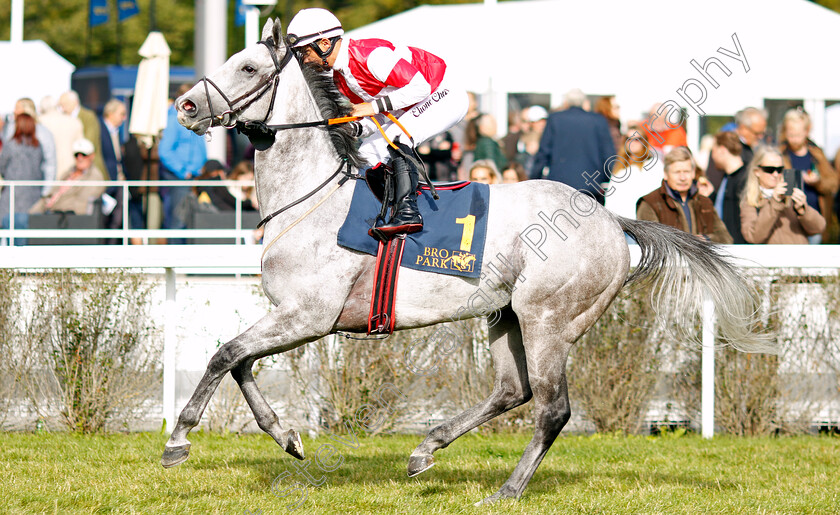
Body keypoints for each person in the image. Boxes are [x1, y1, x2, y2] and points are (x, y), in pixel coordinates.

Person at [287, 7, 469, 240]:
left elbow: (420, 87)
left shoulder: (371, 56)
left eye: (303, 52)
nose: (305, 60)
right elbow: (383, 116)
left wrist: (370, 108)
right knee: (366, 155)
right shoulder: (340, 78)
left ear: (324, 44)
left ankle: (409, 214)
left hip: (444, 95)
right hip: (412, 107)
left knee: (398, 139)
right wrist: (354, 128)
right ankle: (384, 213)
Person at [530, 88, 615, 204]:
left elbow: (543, 153)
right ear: (584, 102)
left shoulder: (555, 119)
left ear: (566, 102)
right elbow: (608, 155)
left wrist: (534, 179)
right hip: (590, 186)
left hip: (559, 186)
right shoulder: (598, 121)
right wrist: (606, 181)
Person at [637, 147, 732, 243]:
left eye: (686, 172)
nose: (682, 178)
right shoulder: (649, 203)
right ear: (666, 174)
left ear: (693, 173)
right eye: (677, 172)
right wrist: (689, 242)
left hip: (700, 258)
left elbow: (726, 238)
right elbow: (649, 242)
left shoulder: (705, 202)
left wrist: (705, 240)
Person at [740, 147, 825, 244]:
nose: (776, 174)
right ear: (757, 172)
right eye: (769, 169)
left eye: (779, 169)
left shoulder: (790, 195)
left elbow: (819, 228)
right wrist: (774, 203)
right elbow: (753, 237)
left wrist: (803, 210)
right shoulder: (750, 202)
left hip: (800, 257)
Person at [777, 108, 838, 244]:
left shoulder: (816, 154)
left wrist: (818, 182)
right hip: (789, 221)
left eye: (798, 135)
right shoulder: (780, 154)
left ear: (806, 131)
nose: (794, 139)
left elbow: (833, 184)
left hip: (814, 218)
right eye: (790, 134)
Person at [159, 84, 207, 243]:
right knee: (178, 221)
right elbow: (165, 151)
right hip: (179, 178)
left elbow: (200, 145)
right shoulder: (173, 119)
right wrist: (183, 171)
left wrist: (201, 168)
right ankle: (175, 265)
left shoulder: (195, 118)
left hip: (194, 177)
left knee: (192, 221)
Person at [30, 138, 106, 215]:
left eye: (84, 155)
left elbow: (81, 205)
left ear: (92, 156)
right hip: (49, 213)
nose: (80, 158)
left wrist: (54, 208)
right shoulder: (68, 173)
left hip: (65, 217)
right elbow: (49, 195)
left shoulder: (94, 177)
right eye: (76, 155)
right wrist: (32, 213)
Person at [0, 113, 44, 245]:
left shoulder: (11, 145)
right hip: (32, 200)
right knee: (27, 244)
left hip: (11, 200)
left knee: (11, 242)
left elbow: (2, 166)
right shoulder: (37, 146)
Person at [604, 125, 663, 219]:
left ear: (644, 142)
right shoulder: (619, 168)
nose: (632, 142)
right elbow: (610, 197)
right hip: (619, 222)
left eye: (637, 139)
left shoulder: (653, 165)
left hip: (642, 222)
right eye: (629, 138)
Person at [2, 98, 57, 196]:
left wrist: (46, 190)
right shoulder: (10, 129)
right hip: (12, 189)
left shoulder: (43, 133)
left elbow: (50, 163)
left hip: (34, 188)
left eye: (17, 108)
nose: (14, 111)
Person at [705, 107, 767, 190]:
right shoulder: (727, 145)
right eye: (757, 133)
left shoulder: (751, 147)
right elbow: (715, 180)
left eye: (762, 133)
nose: (760, 137)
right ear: (743, 128)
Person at [708, 131, 748, 243]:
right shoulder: (727, 177)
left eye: (713, 151)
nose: (712, 156)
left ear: (722, 150)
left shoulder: (744, 179)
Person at [100, 99, 128, 241]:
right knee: (104, 220)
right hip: (105, 181)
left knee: (117, 221)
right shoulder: (100, 129)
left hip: (118, 181)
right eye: (121, 114)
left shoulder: (117, 132)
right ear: (110, 113)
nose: (124, 118)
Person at [38, 95, 84, 183]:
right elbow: (80, 147)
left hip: (46, 171)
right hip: (69, 169)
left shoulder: (39, 122)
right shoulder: (74, 122)